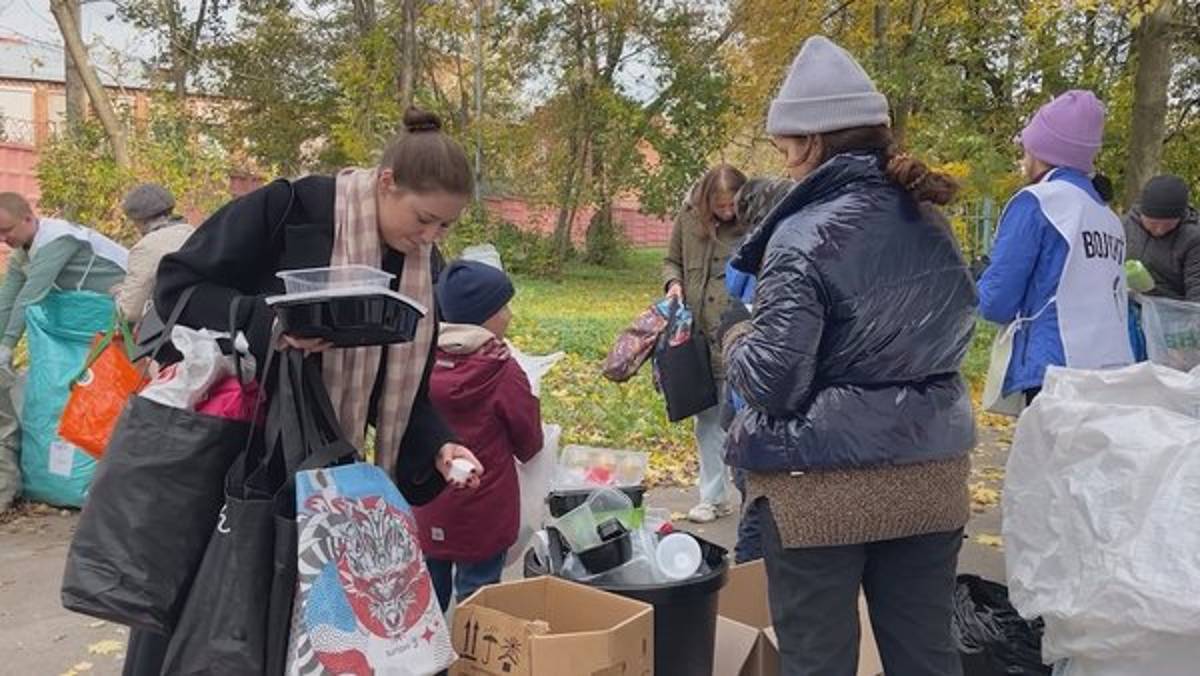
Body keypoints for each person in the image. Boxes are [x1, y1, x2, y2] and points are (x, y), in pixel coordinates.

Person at [137, 108, 484, 676]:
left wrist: (441, 445)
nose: (430, 238)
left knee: (318, 637)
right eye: (424, 220)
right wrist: (270, 324)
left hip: (331, 474)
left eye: (444, 227)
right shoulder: (289, 209)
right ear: (386, 181)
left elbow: (402, 388)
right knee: (220, 621)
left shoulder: (419, 260)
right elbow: (178, 285)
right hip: (245, 454)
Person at [719, 36, 977, 675]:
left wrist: (735, 336)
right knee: (927, 656)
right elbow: (956, 332)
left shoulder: (802, 235)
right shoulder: (933, 222)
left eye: (784, 150)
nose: (787, 165)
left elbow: (774, 381)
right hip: (932, 476)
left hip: (822, 494)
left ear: (807, 144)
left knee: (818, 662)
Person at [978, 90, 1133, 403]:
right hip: (1112, 365)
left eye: (1026, 150)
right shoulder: (1107, 216)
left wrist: (977, 279)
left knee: (1047, 452)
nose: (1023, 160)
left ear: (1040, 151)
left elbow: (997, 302)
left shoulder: (1038, 202)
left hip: (1057, 367)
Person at [414, 259, 543, 610]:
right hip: (484, 509)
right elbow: (529, 441)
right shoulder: (502, 369)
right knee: (478, 601)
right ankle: (473, 661)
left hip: (427, 504)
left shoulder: (418, 362)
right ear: (484, 316)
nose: (510, 315)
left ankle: (429, 662)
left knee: (427, 602)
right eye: (503, 307)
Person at [662, 163, 747, 523]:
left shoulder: (753, 223)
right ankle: (713, 497)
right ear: (707, 199)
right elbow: (671, 261)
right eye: (720, 204)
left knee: (743, 421)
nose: (727, 211)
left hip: (739, 336)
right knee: (707, 421)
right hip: (696, 339)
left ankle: (749, 495)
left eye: (732, 204)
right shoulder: (688, 218)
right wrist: (673, 284)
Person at [724, 176, 793, 564]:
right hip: (753, 397)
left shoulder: (760, 252)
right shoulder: (766, 253)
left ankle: (749, 586)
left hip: (750, 397)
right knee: (757, 499)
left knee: (756, 496)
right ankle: (749, 587)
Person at [0, 193, 128, 366]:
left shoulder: (58, 238)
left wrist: (8, 346)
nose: (2, 239)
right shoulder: (21, 253)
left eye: (6, 230)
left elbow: (30, 297)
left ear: (28, 219)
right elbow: (6, 302)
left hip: (119, 306)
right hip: (84, 316)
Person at [114, 183, 195, 323]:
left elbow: (130, 312)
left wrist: (118, 294)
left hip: (169, 330)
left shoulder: (146, 248)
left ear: (140, 220)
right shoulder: (194, 233)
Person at [1123, 175, 1200, 302]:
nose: (1159, 230)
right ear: (1142, 214)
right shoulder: (1124, 226)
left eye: (1168, 225)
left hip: (1172, 312)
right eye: (1152, 223)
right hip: (1127, 306)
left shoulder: (1193, 238)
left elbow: (1197, 286)